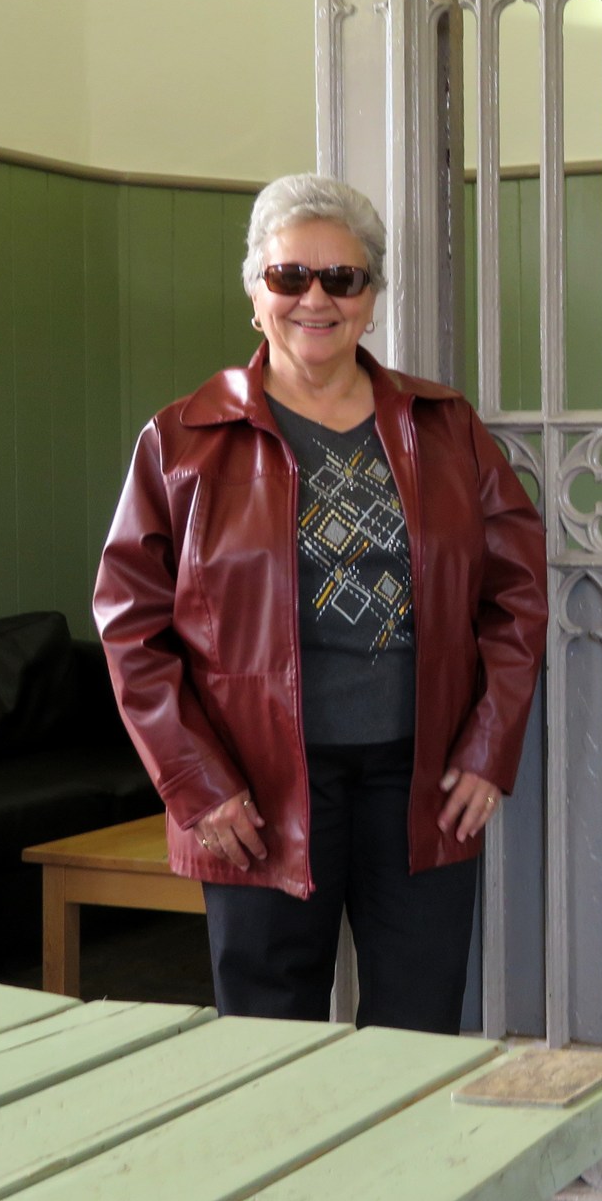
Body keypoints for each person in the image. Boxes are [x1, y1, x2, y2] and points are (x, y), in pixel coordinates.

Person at [94, 173, 547, 1031]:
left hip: (422, 781)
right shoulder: (183, 441)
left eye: (343, 279)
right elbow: (130, 624)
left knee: (417, 1030)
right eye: (290, 276)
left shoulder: (445, 429)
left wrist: (491, 748)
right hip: (252, 793)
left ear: (372, 298)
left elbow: (517, 593)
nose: (316, 299)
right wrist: (195, 783)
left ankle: (404, 1172)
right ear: (254, 293)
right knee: (267, 1035)